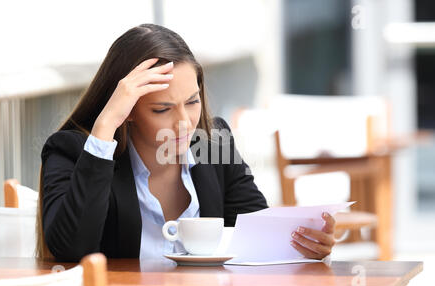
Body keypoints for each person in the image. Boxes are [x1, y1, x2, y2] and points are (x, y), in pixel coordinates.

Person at [36, 24, 336, 262]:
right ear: (126, 112)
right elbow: (71, 249)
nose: (184, 122)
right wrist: (104, 128)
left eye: (192, 102)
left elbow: (255, 235)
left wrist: (304, 245)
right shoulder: (74, 151)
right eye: (162, 109)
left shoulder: (212, 141)